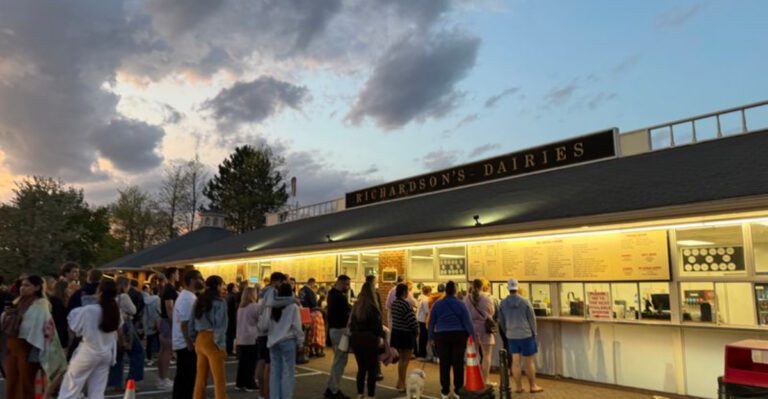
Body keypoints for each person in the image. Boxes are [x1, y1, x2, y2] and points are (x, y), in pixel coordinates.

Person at [2, 275, 67, 399]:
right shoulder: (17, 301)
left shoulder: (40, 304)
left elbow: (39, 326)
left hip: (28, 346)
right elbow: (5, 322)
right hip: (12, 345)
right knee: (11, 382)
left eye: (27, 285)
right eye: (22, 285)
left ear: (37, 287)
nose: (23, 288)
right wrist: (7, 316)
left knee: (25, 383)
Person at [58, 280, 121, 399]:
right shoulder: (115, 311)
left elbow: (73, 325)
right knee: (97, 391)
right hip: (106, 353)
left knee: (70, 388)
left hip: (88, 351)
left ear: (100, 292)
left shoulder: (89, 310)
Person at [428, 281, 475, 399]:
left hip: (442, 336)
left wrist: (431, 337)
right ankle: (458, 390)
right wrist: (472, 336)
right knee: (458, 363)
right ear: (455, 291)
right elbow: (467, 322)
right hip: (459, 336)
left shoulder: (437, 304)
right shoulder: (461, 304)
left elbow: (431, 322)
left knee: (444, 364)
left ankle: (445, 391)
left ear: (445, 291)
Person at [257, 272, 298, 398]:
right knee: (287, 373)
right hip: (288, 340)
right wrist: (300, 341)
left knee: (275, 372)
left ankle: (274, 396)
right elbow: (296, 326)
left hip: (272, 340)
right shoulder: (292, 306)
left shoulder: (270, 302)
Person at [498, 279, 543, 394]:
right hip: (526, 335)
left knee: (515, 362)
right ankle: (533, 386)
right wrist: (534, 332)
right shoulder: (525, 302)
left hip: (512, 336)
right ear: (517, 288)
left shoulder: (502, 303)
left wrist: (507, 332)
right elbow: (532, 319)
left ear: (508, 288)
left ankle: (518, 387)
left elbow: (501, 321)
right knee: (529, 362)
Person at [191, 275, 229, 399]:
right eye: (222, 285)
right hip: (213, 339)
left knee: (200, 377)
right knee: (219, 379)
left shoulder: (199, 300)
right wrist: (221, 345)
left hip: (200, 338)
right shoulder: (220, 302)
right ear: (217, 286)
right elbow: (221, 324)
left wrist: (193, 339)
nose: (223, 287)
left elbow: (191, 321)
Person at [349, 281, 384, 399]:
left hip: (356, 339)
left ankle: (360, 394)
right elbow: (378, 327)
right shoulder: (373, 307)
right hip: (370, 340)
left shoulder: (356, 305)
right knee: (372, 369)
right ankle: (371, 395)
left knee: (361, 368)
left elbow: (351, 324)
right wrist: (379, 337)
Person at [107, 276, 143, 392]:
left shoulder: (111, 296)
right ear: (125, 285)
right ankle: (132, 379)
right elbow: (133, 310)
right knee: (137, 352)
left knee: (118, 355)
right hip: (126, 325)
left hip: (114, 326)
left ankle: (115, 382)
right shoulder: (124, 296)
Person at [172, 269, 203, 398]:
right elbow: (184, 324)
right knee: (187, 378)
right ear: (192, 281)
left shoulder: (188, 296)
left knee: (184, 377)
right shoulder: (188, 299)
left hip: (183, 343)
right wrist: (190, 344)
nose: (202, 281)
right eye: (200, 278)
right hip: (185, 345)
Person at [324, 274, 352, 399]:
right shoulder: (339, 297)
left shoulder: (331, 294)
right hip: (340, 331)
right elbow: (348, 311)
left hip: (334, 330)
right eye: (346, 284)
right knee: (340, 361)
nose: (348, 287)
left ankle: (331, 387)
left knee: (338, 360)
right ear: (340, 283)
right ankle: (333, 390)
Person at [464, 279, 496, 381]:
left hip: (471, 328)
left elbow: (464, 313)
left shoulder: (466, 299)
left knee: (473, 354)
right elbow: (491, 312)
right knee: (486, 355)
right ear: (482, 286)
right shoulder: (487, 298)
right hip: (484, 329)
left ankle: (474, 379)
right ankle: (485, 380)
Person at [67, 269, 102, 359]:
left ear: (88, 277)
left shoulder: (80, 292)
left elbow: (71, 307)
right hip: (100, 325)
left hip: (82, 325)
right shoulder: (104, 292)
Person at [390, 283, 419, 393]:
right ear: (404, 292)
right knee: (405, 361)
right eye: (407, 291)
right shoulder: (405, 304)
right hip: (406, 335)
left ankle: (399, 382)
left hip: (397, 333)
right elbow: (412, 321)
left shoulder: (394, 303)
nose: (408, 293)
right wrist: (417, 331)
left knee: (401, 360)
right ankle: (402, 384)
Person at [235, 287, 259, 392]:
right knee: (251, 362)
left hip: (241, 337)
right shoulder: (254, 307)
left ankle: (240, 383)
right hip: (252, 337)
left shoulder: (241, 307)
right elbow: (260, 320)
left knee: (243, 362)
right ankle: (250, 384)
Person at [159, 267, 179, 390]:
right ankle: (163, 379)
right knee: (167, 351)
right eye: (177, 273)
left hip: (165, 321)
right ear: (172, 275)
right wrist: (174, 323)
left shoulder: (168, 288)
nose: (178, 275)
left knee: (164, 350)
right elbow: (169, 308)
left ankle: (162, 378)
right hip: (168, 322)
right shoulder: (169, 288)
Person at [45, 278, 70, 349]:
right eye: (68, 288)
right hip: (57, 334)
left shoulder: (60, 301)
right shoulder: (56, 301)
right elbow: (58, 319)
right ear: (64, 289)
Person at [142, 277, 162, 367]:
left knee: (149, 342)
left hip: (148, 322)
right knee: (159, 340)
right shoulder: (157, 299)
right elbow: (159, 311)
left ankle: (149, 358)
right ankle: (159, 356)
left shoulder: (146, 300)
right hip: (157, 322)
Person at [415, 286, 432, 360]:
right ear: (429, 292)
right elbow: (427, 311)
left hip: (420, 319)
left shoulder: (420, 298)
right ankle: (422, 354)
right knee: (423, 338)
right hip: (423, 320)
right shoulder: (426, 300)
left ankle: (421, 353)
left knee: (422, 337)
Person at [226, 283, 238, 356]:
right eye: (235, 287)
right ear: (232, 288)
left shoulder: (227, 296)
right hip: (232, 318)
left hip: (229, 318)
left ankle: (228, 349)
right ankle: (229, 350)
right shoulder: (233, 297)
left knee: (229, 335)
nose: (237, 288)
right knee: (230, 335)